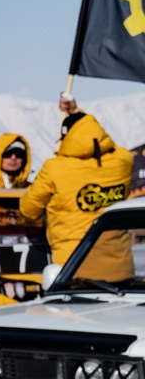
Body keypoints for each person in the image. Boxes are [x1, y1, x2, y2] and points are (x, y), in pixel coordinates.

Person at [22, 106, 136, 282]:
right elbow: (91, 134)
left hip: (73, 268)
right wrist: (79, 113)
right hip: (120, 270)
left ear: (67, 138)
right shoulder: (123, 160)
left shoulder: (55, 168)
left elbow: (28, 210)